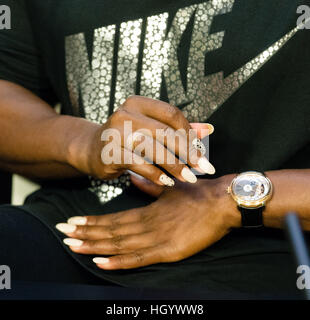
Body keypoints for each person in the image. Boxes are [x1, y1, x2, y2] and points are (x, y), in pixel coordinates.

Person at [0, 0, 309, 297]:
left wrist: (228, 199)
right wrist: (84, 143)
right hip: (75, 231)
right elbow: (9, 92)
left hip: (271, 248)